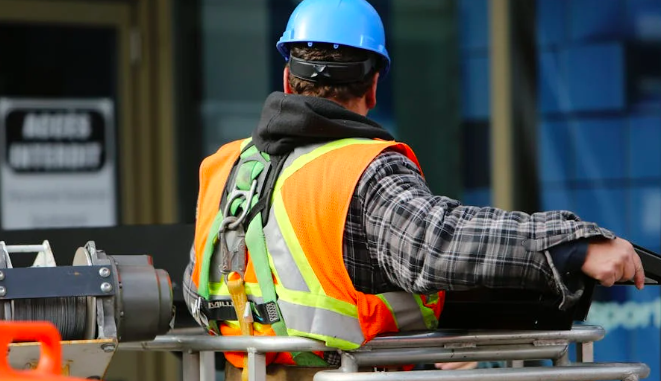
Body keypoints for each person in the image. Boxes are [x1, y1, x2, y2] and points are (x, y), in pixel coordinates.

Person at [182, 0, 645, 379]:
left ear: (287, 79)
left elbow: (199, 290)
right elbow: (436, 243)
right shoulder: (361, 169)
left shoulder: (226, 167)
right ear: (375, 85)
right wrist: (571, 245)